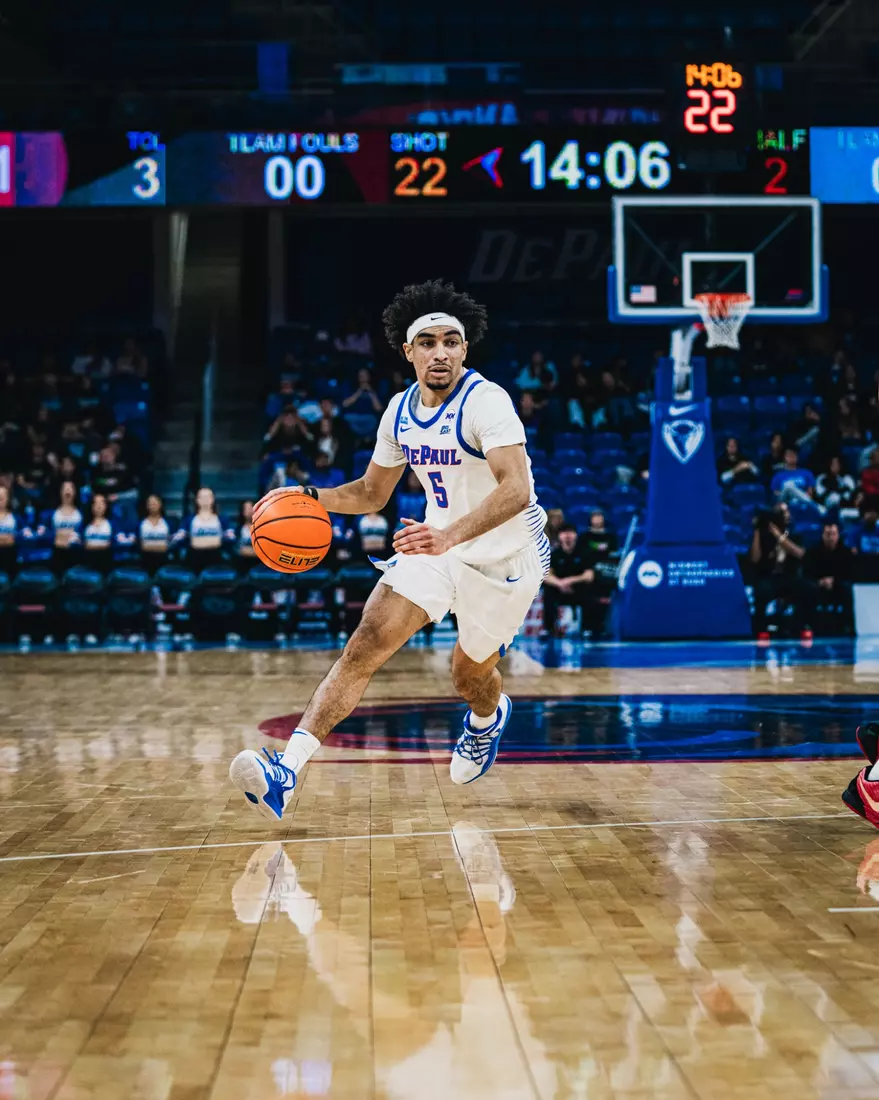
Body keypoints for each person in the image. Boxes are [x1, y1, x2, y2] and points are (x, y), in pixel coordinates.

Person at [230, 279, 549, 818]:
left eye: (452, 341)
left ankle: (487, 720)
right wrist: (309, 497)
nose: (441, 352)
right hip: (435, 548)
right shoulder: (399, 412)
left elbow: (517, 489)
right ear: (409, 351)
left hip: (505, 561)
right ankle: (286, 771)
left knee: (468, 677)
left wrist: (448, 534)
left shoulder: (486, 402)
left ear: (465, 348)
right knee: (365, 643)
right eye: (428, 343)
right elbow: (371, 493)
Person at [748, 502, 806, 638]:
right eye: (781, 512)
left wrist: (778, 535)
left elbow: (799, 553)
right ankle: (761, 629)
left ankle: (799, 626)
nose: (785, 515)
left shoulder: (794, 533)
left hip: (789, 576)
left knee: (808, 588)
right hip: (769, 577)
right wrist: (757, 530)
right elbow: (755, 559)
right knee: (761, 591)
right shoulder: (764, 535)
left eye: (786, 512)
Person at [541, 524, 598, 638]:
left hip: (578, 589)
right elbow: (546, 575)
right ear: (559, 536)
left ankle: (588, 628)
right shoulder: (554, 554)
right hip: (559, 589)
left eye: (570, 532)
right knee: (548, 591)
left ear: (575, 535)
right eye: (564, 533)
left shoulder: (585, 552)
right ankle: (548, 629)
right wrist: (560, 583)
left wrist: (570, 581)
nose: (567, 536)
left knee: (590, 590)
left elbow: (589, 575)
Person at [802, 521, 853, 633]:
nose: (830, 538)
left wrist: (834, 581)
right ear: (822, 535)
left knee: (847, 588)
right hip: (817, 584)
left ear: (838, 535)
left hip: (838, 584)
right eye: (828, 534)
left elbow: (849, 574)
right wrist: (820, 581)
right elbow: (807, 573)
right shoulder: (812, 551)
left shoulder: (846, 552)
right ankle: (807, 624)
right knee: (807, 588)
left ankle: (848, 625)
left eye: (833, 534)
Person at [770, 446, 818, 510]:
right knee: (788, 486)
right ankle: (817, 507)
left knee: (791, 488)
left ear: (797, 456)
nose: (792, 456)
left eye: (794, 454)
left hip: (802, 502)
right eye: (789, 455)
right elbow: (777, 496)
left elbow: (809, 494)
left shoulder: (806, 473)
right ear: (784, 457)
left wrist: (796, 496)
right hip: (785, 503)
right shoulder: (778, 476)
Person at [138, 494, 172, 574]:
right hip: (145, 560)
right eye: (150, 503)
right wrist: (160, 546)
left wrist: (150, 546)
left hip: (164, 560)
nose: (153, 505)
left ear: (160, 504)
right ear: (147, 506)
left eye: (155, 502)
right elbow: (141, 546)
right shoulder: (141, 524)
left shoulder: (169, 523)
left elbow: (169, 544)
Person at [81, 493, 114, 574]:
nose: (99, 506)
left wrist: (92, 546)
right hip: (88, 562)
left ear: (106, 505)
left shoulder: (112, 525)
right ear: (91, 506)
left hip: (105, 562)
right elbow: (81, 543)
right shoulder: (85, 525)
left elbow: (113, 544)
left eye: (101, 503)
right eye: (96, 503)